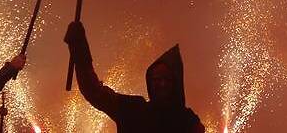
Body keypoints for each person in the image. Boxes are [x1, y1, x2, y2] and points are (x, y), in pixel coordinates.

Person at [64, 21, 204, 132]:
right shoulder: (134, 111)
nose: (162, 84)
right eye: (157, 79)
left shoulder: (188, 122)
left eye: (167, 79)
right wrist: (79, 48)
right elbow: (95, 93)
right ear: (149, 82)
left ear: (176, 83)